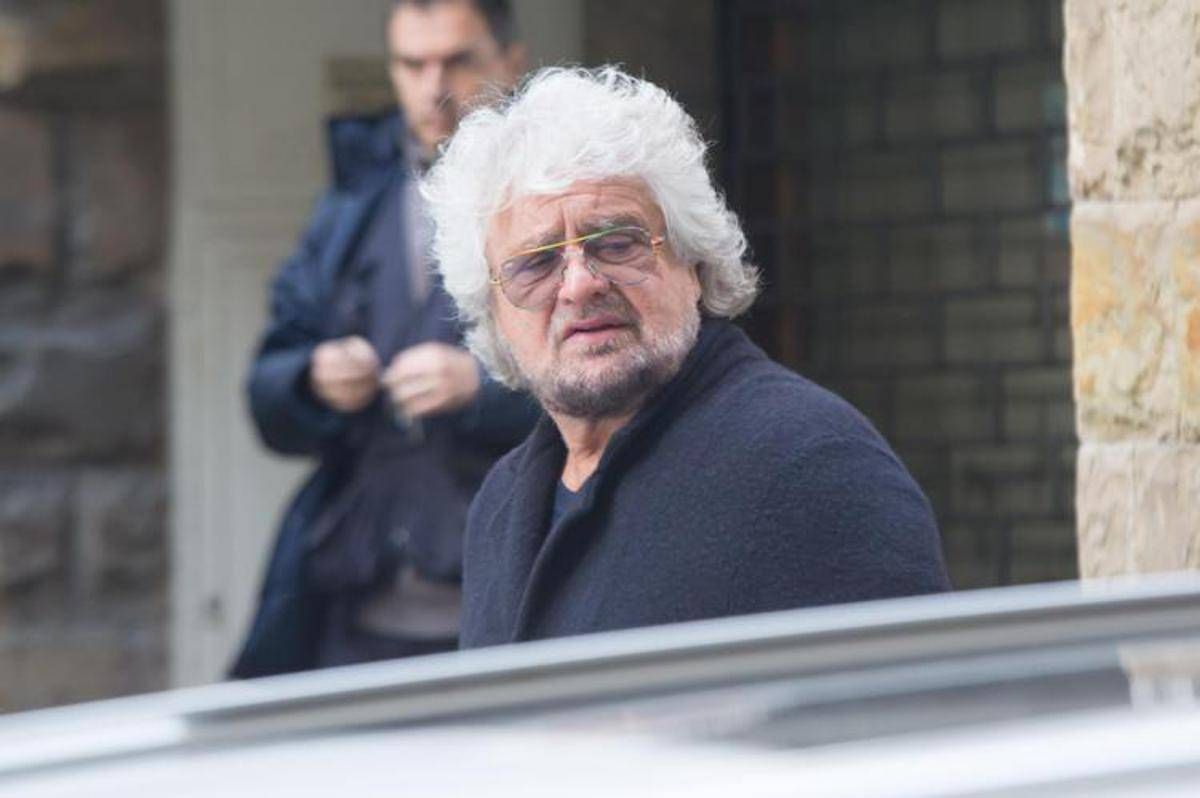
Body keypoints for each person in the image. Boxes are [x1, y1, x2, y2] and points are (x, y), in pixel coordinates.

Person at [421, 67, 953, 648]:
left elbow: (904, 698)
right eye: (536, 264)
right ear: (492, 307)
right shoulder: (500, 505)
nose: (579, 285)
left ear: (693, 261)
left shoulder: (809, 462)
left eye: (616, 243)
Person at [232, 0, 534, 677]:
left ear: (511, 62)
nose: (434, 87)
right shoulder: (351, 205)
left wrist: (480, 385)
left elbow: (623, 383)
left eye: (457, 60)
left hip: (510, 609)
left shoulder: (558, 195)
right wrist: (313, 377)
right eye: (412, 64)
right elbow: (266, 396)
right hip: (355, 609)